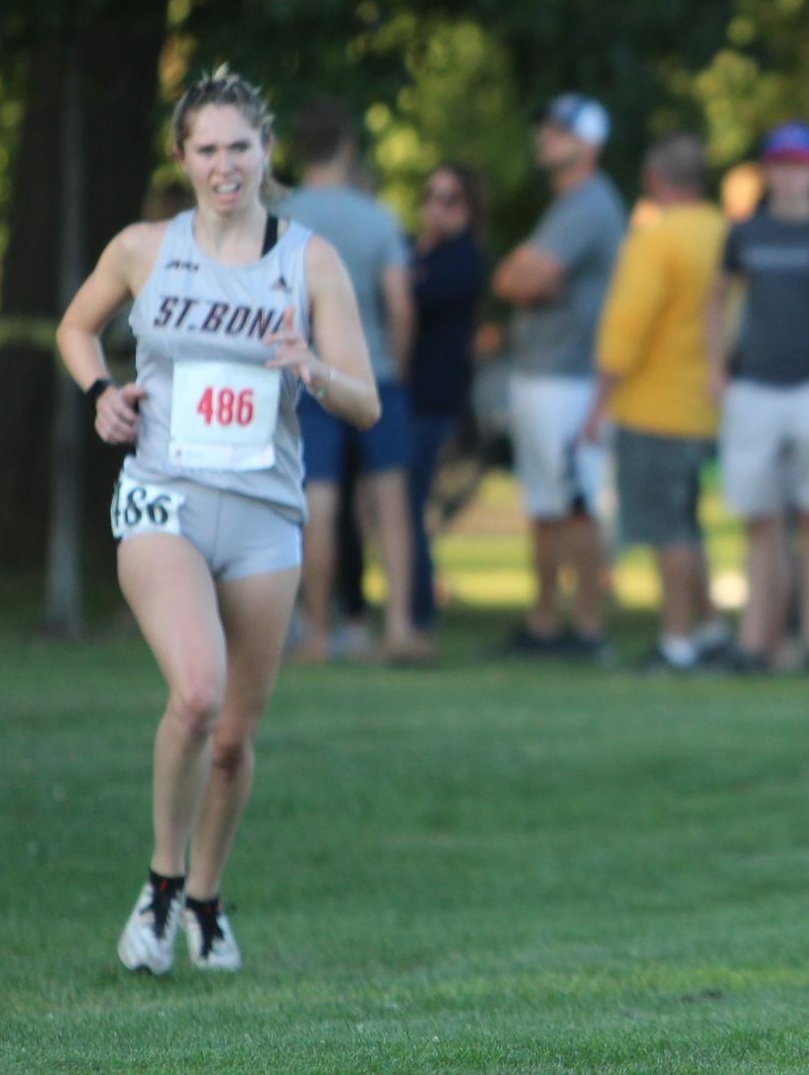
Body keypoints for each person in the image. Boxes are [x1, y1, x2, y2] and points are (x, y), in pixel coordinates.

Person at [55, 67, 382, 974]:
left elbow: (367, 404)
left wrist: (310, 366)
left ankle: (207, 899)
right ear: (183, 155)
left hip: (265, 514)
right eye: (208, 148)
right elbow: (76, 329)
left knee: (234, 736)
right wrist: (100, 394)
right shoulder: (143, 248)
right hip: (162, 494)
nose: (225, 163)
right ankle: (161, 888)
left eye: (241, 146)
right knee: (195, 693)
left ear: (267, 151)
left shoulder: (307, 257)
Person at [708, 122, 809, 677]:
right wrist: (715, 369)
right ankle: (759, 641)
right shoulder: (744, 233)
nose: (789, 174)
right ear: (768, 169)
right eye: (779, 163)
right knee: (759, 519)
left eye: (798, 163)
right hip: (753, 387)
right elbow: (717, 300)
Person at [276, 100, 423, 664]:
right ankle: (401, 627)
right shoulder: (377, 217)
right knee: (390, 502)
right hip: (376, 373)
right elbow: (400, 304)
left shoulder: (282, 218)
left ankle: (315, 631)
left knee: (318, 502)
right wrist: (397, 367)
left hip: (307, 376)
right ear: (349, 147)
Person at [583, 133, 730, 670]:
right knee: (688, 523)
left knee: (667, 530)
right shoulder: (722, 232)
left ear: (654, 181)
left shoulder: (655, 239)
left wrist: (598, 403)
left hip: (654, 404)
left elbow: (627, 325)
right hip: (702, 405)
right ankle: (711, 629)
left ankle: (676, 641)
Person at [492, 94, 627, 657]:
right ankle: (546, 623)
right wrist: (528, 278)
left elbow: (526, 280)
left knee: (576, 502)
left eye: (559, 131)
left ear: (588, 144)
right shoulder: (565, 204)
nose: (546, 138)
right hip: (541, 374)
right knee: (545, 504)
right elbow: (510, 278)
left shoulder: (591, 203)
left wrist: (531, 279)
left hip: (570, 379)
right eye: (546, 128)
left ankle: (587, 627)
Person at [406, 162, 486, 635]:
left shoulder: (460, 258)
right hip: (409, 398)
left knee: (410, 505)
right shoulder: (415, 253)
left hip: (431, 401)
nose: (436, 207)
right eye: (430, 195)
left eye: (450, 199)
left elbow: (420, 298)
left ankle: (418, 610)